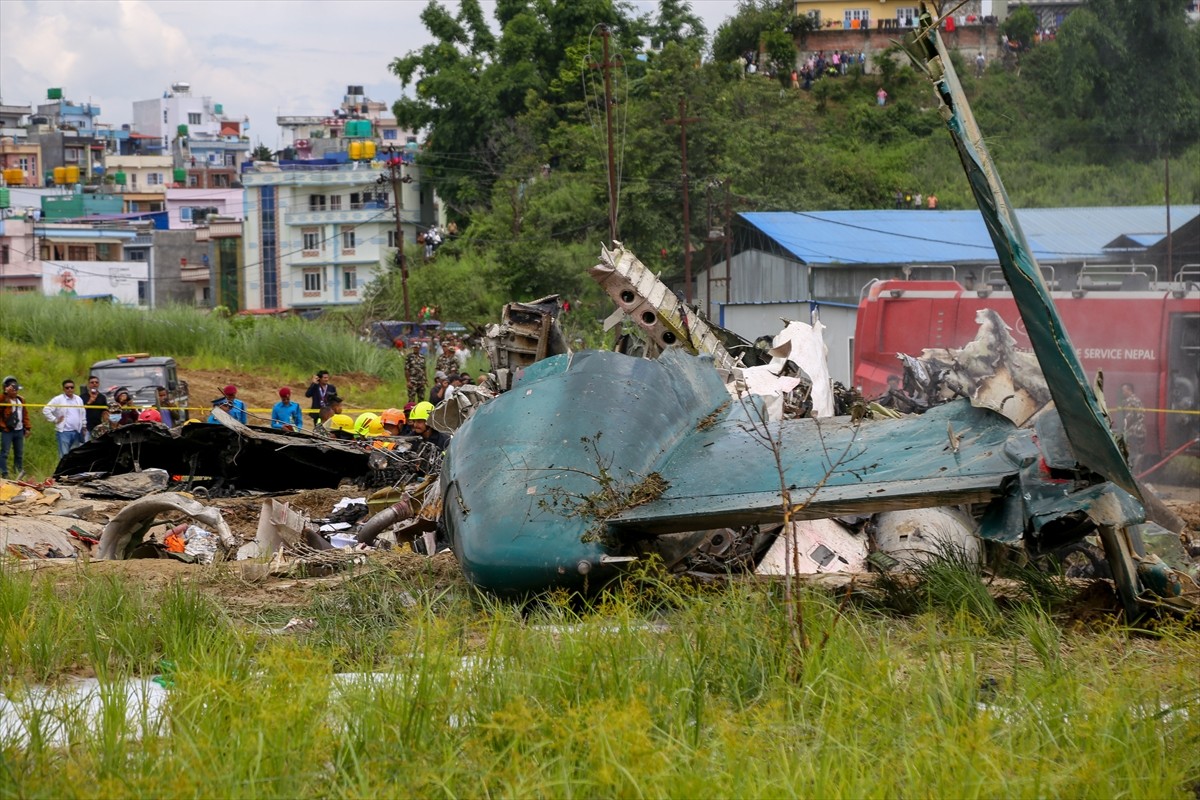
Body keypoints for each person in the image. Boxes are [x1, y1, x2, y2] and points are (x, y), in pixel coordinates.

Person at [43, 378, 86, 457]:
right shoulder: (58, 399)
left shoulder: (79, 399)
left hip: (77, 431)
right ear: (63, 389)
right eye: (67, 388)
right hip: (64, 432)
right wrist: (55, 420)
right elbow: (46, 409)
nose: (69, 389)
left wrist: (84, 426)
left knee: (74, 455)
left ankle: (73, 469)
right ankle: (63, 469)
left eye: (71, 387)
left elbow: (82, 413)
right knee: (64, 456)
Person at [1, 376, 32, 479]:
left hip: (19, 430)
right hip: (7, 430)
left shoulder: (21, 400)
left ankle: (17, 472)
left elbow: (25, 414)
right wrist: (3, 427)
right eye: (12, 389)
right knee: (5, 452)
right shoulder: (3, 399)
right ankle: (4, 473)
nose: (15, 391)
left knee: (19, 453)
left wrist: (27, 428)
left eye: (16, 389)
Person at [1120, 383, 1146, 471]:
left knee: (1132, 454)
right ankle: (1140, 474)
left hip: (1133, 431)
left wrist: (1124, 427)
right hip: (1141, 431)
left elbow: (1130, 416)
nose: (1122, 393)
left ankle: (1133, 474)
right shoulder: (1138, 400)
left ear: (1129, 390)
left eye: (1124, 390)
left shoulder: (1129, 401)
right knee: (1139, 453)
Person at [82, 375, 107, 440]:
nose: (94, 384)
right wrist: (89, 402)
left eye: (96, 382)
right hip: (85, 426)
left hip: (98, 426)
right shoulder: (82, 397)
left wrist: (105, 425)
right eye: (92, 382)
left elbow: (104, 412)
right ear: (88, 384)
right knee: (84, 446)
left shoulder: (102, 397)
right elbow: (80, 411)